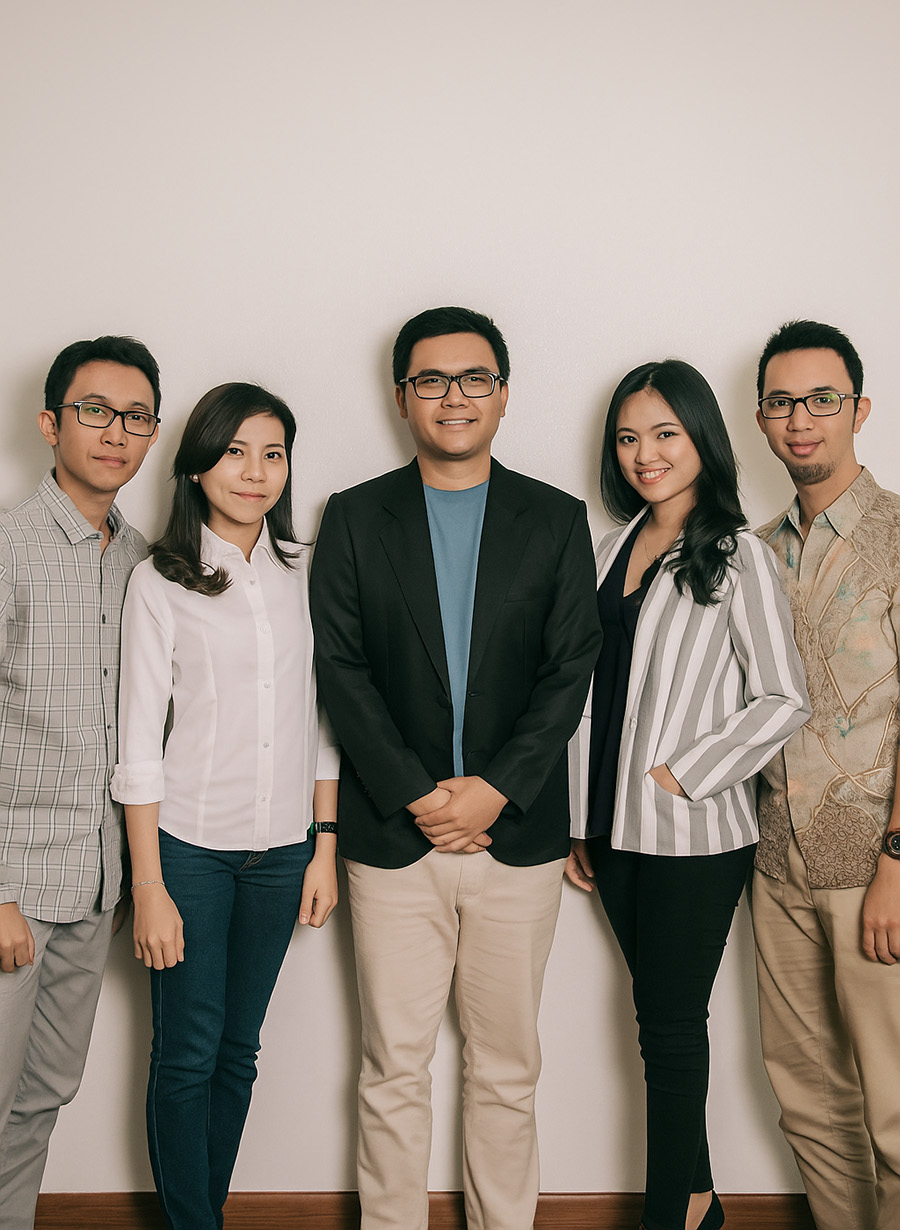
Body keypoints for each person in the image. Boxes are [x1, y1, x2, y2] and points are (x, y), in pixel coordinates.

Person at [309, 306, 601, 1230]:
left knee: (507, 1069)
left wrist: (496, 789)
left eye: (475, 378)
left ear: (504, 394)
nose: (454, 397)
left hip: (518, 840)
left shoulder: (556, 519)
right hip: (393, 838)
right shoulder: (354, 516)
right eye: (431, 380)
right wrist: (418, 794)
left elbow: (571, 669)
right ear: (402, 397)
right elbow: (341, 669)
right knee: (393, 1067)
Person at [566, 359, 809, 1230]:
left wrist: (685, 774)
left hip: (693, 833)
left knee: (668, 1025)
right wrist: (579, 818)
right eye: (628, 438)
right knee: (657, 1018)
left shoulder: (739, 556)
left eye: (665, 433)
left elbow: (783, 697)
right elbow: (587, 689)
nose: (646, 454)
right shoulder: (607, 549)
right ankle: (700, 1197)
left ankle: (671, 1210)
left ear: (703, 437)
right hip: (608, 825)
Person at [110, 382, 338, 1230]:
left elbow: (323, 721)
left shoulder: (306, 571)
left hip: (283, 852)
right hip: (189, 849)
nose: (255, 472)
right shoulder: (159, 580)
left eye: (272, 454)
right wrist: (150, 886)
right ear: (199, 465)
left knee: (239, 1052)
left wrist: (322, 846)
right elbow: (139, 742)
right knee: (186, 1053)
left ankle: (202, 1213)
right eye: (235, 452)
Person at [0, 335, 161, 1227]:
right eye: (95, 411)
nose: (115, 432)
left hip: (97, 887)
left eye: (136, 417)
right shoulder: (9, 547)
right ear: (50, 423)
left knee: (42, 1096)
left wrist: (132, 876)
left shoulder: (145, 561)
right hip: (14, 886)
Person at [752, 320, 900, 1230]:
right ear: (761, 419)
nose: (801, 419)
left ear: (859, 409)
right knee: (809, 1103)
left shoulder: (898, 535)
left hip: (876, 865)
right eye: (782, 401)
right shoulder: (753, 551)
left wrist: (898, 862)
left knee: (896, 1106)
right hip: (776, 863)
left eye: (821, 399)